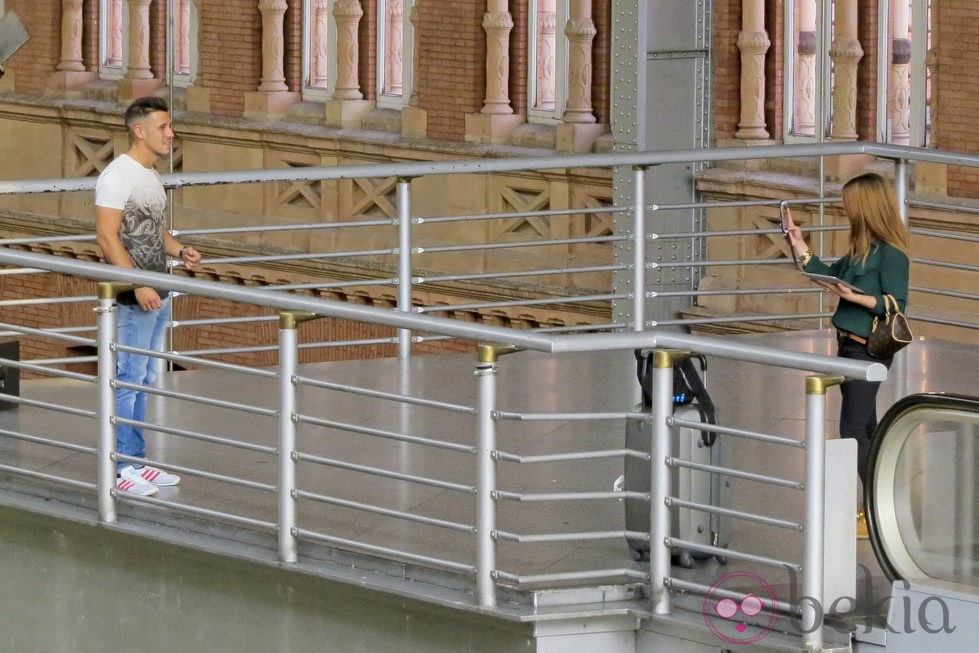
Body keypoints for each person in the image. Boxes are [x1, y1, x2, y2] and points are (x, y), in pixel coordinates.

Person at [785, 172, 910, 537]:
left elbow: (895, 304)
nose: (845, 211)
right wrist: (798, 242)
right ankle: (878, 506)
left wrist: (854, 296)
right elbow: (822, 273)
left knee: (853, 428)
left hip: (869, 348)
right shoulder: (859, 252)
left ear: (867, 208)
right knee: (866, 425)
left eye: (850, 205)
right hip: (848, 344)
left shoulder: (891, 254)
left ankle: (875, 508)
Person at [95, 96, 202, 496]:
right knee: (128, 378)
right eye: (163, 127)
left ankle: (136, 461)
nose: (171, 134)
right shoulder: (117, 176)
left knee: (144, 377)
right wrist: (136, 283)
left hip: (158, 290)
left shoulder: (149, 175)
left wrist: (180, 250)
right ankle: (122, 469)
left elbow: (153, 230)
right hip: (134, 295)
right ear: (139, 131)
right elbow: (107, 236)